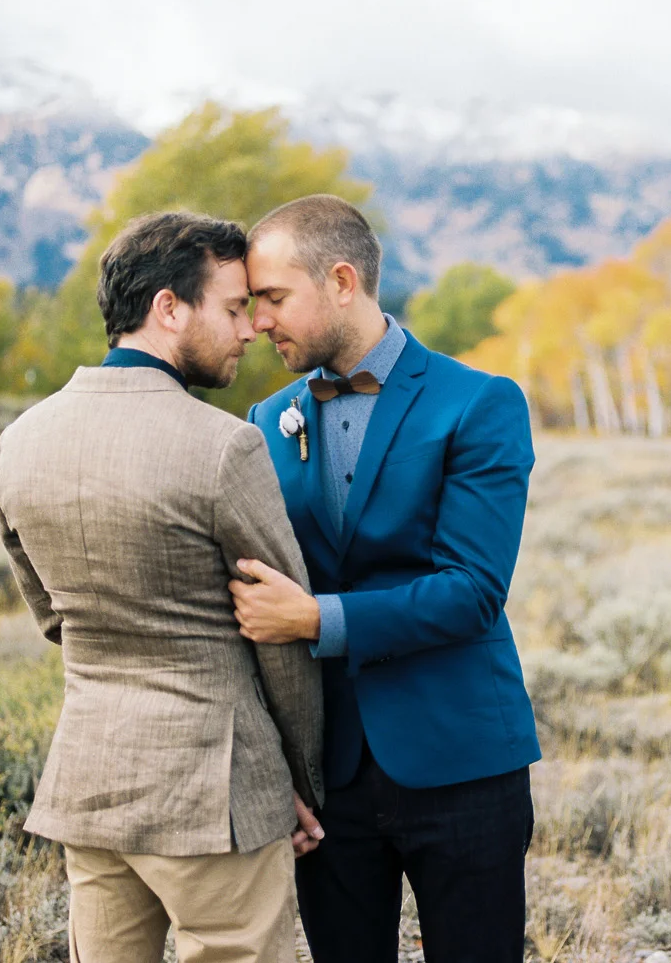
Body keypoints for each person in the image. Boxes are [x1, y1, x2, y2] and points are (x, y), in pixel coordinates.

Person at [0, 211, 324, 963]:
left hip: (91, 780)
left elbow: (52, 616)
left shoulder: (21, 441)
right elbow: (280, 636)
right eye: (233, 309)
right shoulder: (224, 445)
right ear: (168, 308)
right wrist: (300, 780)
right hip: (215, 790)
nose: (249, 329)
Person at [231, 194, 540, 963]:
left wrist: (316, 619)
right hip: (329, 781)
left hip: (461, 759)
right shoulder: (267, 420)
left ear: (342, 281)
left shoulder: (479, 403)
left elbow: (472, 591)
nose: (259, 321)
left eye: (273, 297)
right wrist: (279, 767)